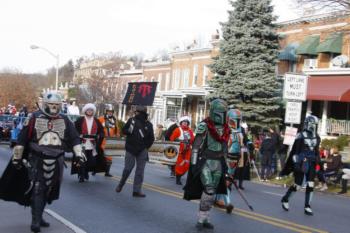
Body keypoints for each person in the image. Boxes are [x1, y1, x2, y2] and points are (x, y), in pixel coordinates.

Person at [0, 91, 86, 233]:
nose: (53, 108)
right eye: (51, 104)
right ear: (45, 104)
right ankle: (36, 220)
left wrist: (79, 153)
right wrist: (17, 157)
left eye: (56, 105)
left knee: (49, 190)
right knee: (38, 189)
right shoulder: (33, 117)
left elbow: (74, 137)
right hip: (37, 159)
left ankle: (39, 216)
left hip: (57, 159)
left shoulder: (65, 120)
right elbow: (22, 139)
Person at [183, 99, 229, 230]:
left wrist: (227, 167)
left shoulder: (226, 129)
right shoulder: (204, 125)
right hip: (206, 162)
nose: (222, 115)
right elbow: (196, 147)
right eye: (220, 112)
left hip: (218, 163)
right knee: (208, 189)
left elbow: (225, 149)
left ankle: (206, 218)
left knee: (212, 192)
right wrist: (193, 165)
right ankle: (201, 218)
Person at [281, 115, 321, 216]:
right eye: (312, 124)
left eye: (315, 125)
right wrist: (296, 163)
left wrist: (319, 164)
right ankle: (285, 199)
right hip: (301, 162)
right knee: (298, 185)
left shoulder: (317, 137)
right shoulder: (300, 135)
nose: (313, 126)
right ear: (307, 124)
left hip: (312, 162)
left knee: (310, 184)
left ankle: (307, 206)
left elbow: (316, 152)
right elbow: (295, 151)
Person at [115, 105, 154, 197]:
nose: (135, 114)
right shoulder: (131, 121)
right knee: (128, 168)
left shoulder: (149, 125)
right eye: (135, 112)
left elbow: (151, 138)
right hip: (131, 148)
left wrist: (145, 147)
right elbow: (124, 131)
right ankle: (121, 183)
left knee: (140, 171)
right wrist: (129, 130)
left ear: (142, 113)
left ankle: (136, 190)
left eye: (137, 112)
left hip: (142, 149)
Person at [71, 103, 105, 183]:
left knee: (91, 161)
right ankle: (81, 176)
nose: (90, 111)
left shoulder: (96, 121)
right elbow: (74, 130)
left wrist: (99, 136)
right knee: (82, 160)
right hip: (82, 143)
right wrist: (78, 136)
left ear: (93, 112)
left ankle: (86, 171)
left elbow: (101, 131)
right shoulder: (80, 120)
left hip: (92, 144)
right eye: (88, 110)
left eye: (91, 110)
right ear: (85, 111)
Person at [169, 116, 194, 185]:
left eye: (186, 122)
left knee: (186, 165)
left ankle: (180, 175)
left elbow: (193, 140)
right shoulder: (177, 130)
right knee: (179, 165)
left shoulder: (190, 131)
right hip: (180, 150)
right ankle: (178, 178)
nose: (185, 123)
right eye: (184, 122)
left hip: (188, 150)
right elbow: (172, 139)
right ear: (181, 123)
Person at [98, 104, 118, 177]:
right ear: (106, 111)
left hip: (110, 140)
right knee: (99, 156)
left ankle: (107, 172)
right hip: (102, 140)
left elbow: (117, 130)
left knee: (109, 157)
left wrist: (117, 138)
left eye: (111, 111)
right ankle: (95, 170)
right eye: (108, 111)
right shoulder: (101, 119)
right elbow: (97, 128)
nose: (110, 113)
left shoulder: (114, 120)